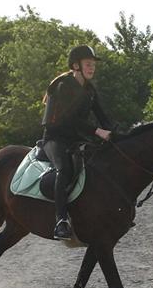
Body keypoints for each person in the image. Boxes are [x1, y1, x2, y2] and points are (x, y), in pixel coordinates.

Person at [41, 44, 114, 239]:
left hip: (75, 139)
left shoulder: (89, 89)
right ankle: (61, 221)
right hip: (54, 139)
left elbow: (102, 116)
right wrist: (98, 131)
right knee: (64, 169)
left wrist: (116, 134)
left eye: (93, 65)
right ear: (76, 66)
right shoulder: (64, 86)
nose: (92, 68)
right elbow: (68, 119)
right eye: (88, 64)